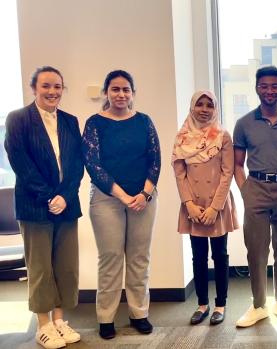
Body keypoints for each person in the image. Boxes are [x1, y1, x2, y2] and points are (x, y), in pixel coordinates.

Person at [5, 66, 83, 349]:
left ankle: (60, 320)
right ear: (34, 88)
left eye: (57, 86)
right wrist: (50, 197)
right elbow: (20, 163)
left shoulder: (70, 121)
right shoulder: (18, 119)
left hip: (67, 204)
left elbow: (76, 164)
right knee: (40, 267)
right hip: (35, 204)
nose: (52, 92)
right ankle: (44, 325)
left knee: (66, 266)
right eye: (46, 86)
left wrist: (65, 195)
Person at [83, 70, 161, 339]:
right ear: (106, 92)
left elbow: (155, 160)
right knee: (111, 259)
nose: (121, 94)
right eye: (115, 89)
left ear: (133, 93)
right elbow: (93, 164)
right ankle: (106, 318)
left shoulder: (144, 121)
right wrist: (123, 196)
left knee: (140, 258)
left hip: (144, 198)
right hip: (107, 200)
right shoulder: (94, 123)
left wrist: (144, 195)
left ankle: (139, 313)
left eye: (126, 89)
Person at [233, 66, 277, 327]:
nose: (270, 91)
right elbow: (237, 164)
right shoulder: (244, 124)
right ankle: (258, 305)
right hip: (257, 189)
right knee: (256, 251)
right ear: (257, 88)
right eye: (264, 86)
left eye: (275, 86)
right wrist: (245, 191)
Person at [172, 90, 238, 325]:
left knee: (219, 255)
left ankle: (221, 304)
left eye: (209, 105)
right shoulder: (182, 137)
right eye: (199, 104)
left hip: (216, 205)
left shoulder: (223, 135)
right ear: (192, 107)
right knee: (198, 256)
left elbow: (227, 172)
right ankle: (202, 304)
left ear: (215, 108)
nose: (204, 109)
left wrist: (215, 207)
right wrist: (188, 203)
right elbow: (179, 174)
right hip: (193, 205)